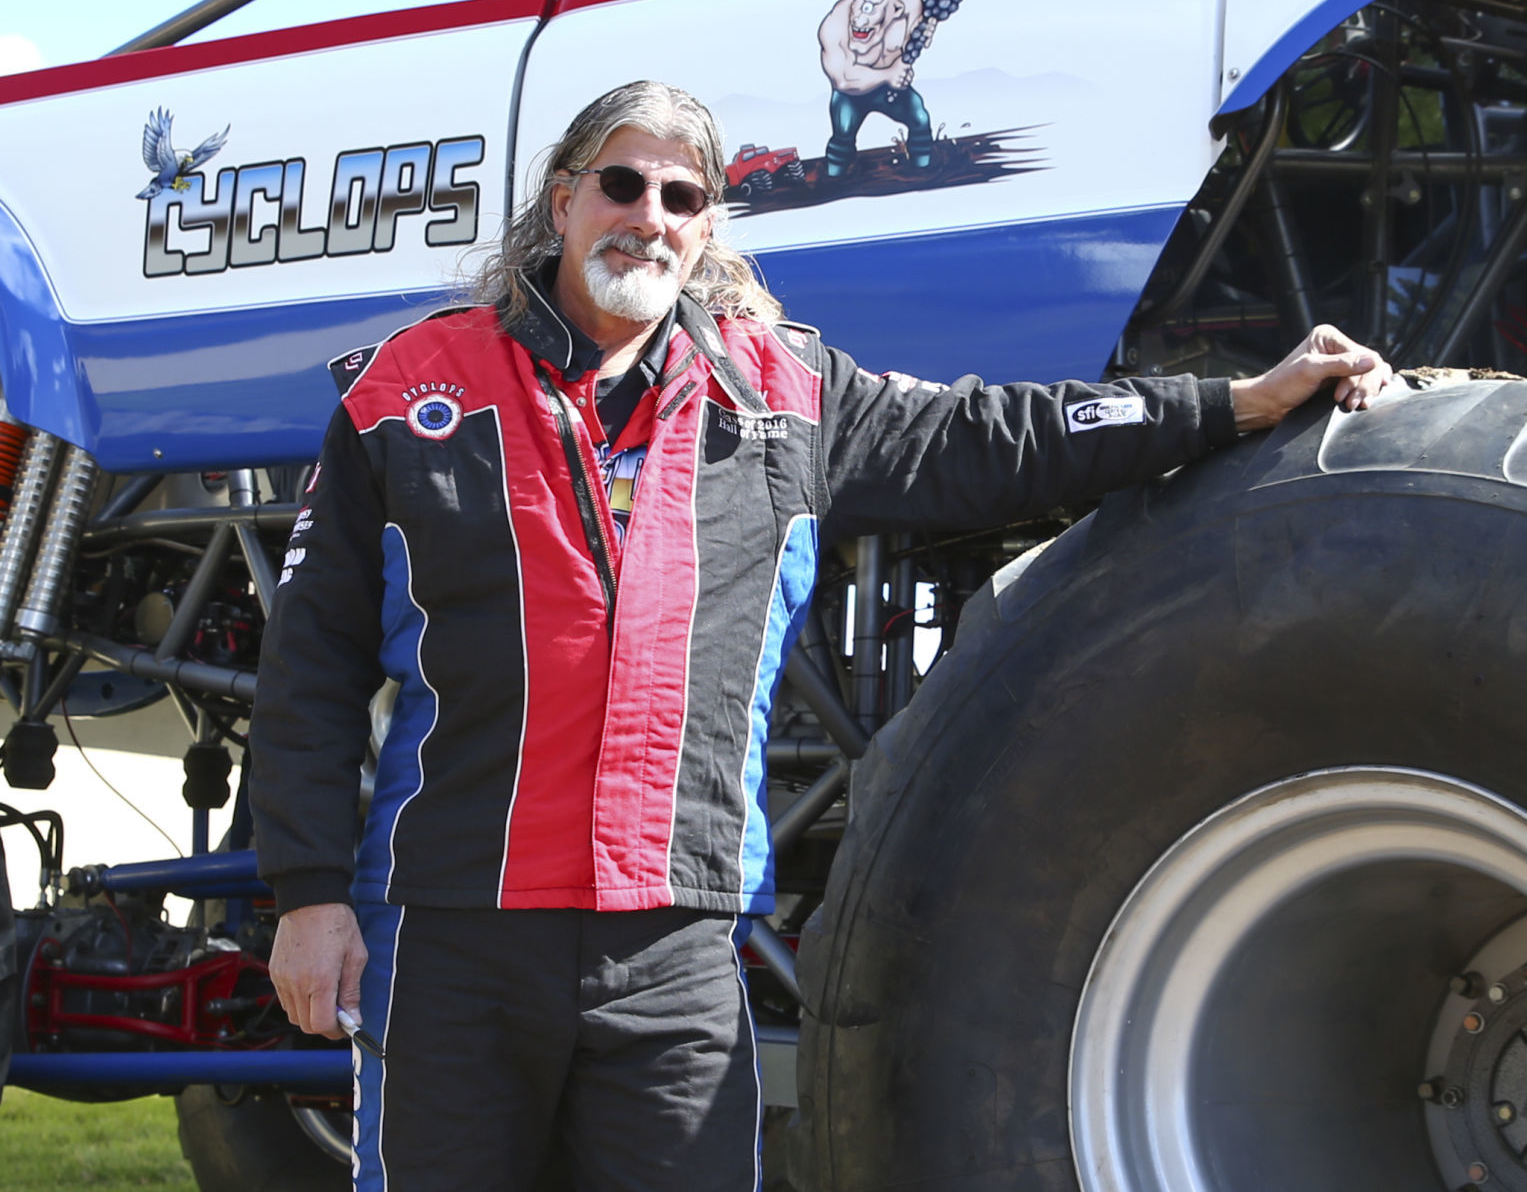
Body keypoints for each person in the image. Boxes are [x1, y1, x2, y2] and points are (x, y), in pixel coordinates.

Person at [248, 79, 1394, 1191]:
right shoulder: (407, 392)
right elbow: (310, 667)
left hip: (674, 949)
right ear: (562, 201)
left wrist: (1233, 403)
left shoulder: (783, 393)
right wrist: (308, 896)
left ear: (706, 232)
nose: (649, 217)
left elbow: (999, 437)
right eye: (623, 183)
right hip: (455, 937)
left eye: (682, 198)